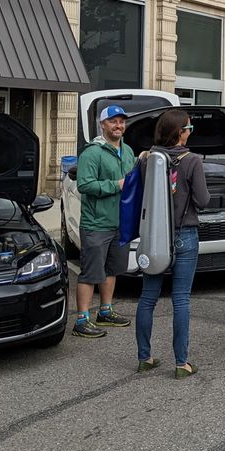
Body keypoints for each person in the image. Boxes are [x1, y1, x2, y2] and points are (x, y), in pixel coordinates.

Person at [134, 109, 209, 378]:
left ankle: (144, 357)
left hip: (154, 235)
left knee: (148, 297)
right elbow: (202, 200)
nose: (190, 133)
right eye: (189, 128)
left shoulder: (146, 159)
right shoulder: (192, 161)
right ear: (180, 132)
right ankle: (181, 363)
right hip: (184, 234)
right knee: (180, 299)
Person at [72, 105, 137, 338]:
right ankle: (81, 320)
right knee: (91, 273)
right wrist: (116, 185)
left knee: (112, 269)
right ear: (103, 124)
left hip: (120, 222)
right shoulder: (92, 153)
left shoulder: (128, 151)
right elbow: (85, 185)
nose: (118, 125)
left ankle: (105, 311)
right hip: (96, 223)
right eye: (113, 121)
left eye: (121, 121)